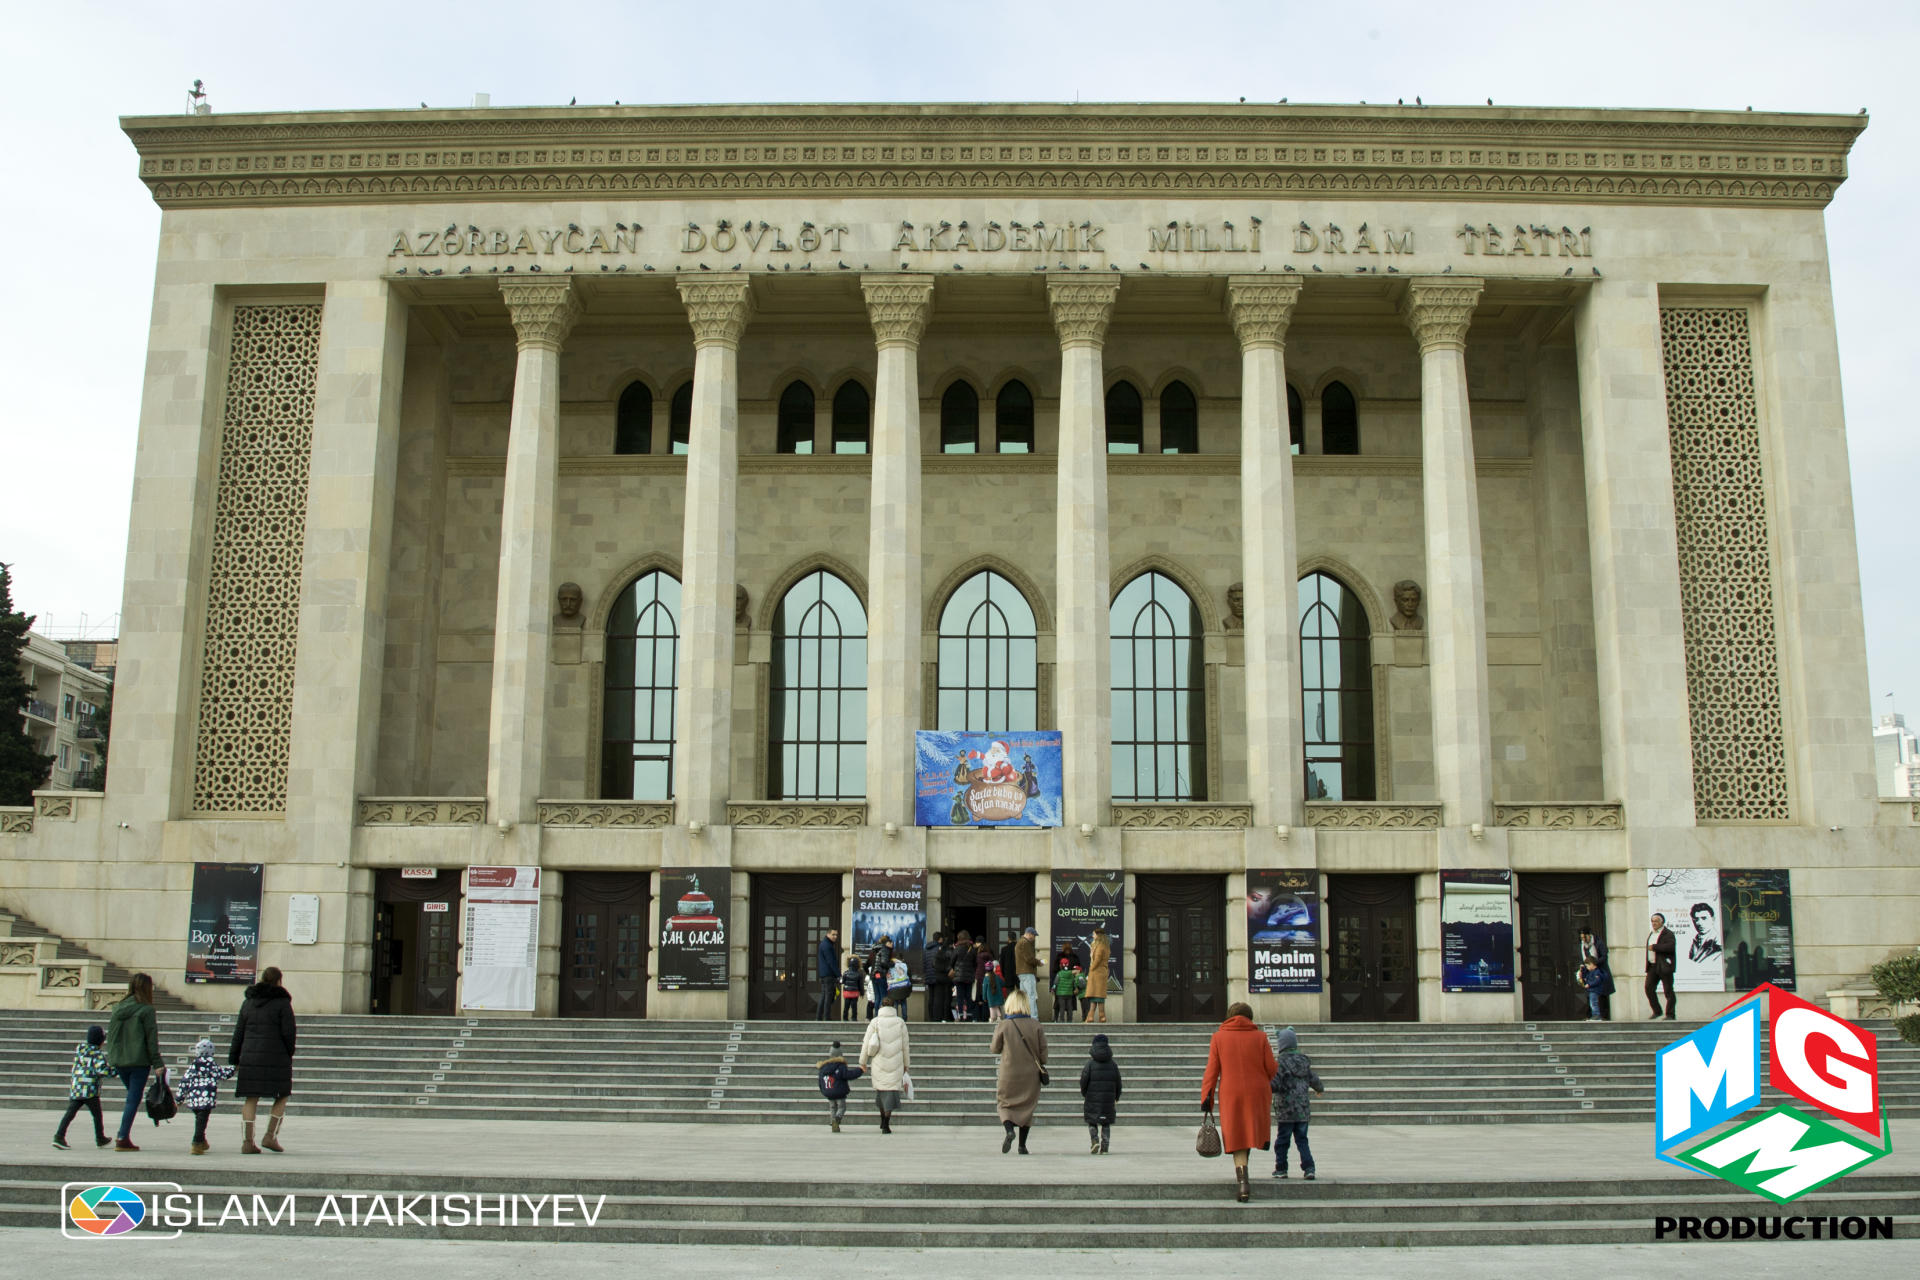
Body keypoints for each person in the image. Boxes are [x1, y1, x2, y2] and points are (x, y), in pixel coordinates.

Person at [1200, 1001, 1278, 1203]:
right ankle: (1244, 1173)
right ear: (1249, 1017)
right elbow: (1271, 1068)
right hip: (1257, 1091)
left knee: (1237, 1135)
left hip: (1231, 1092)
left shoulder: (1218, 1037)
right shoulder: (1260, 1037)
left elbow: (1212, 1070)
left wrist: (1206, 1098)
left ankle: (1243, 1181)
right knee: (1249, 1132)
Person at [230, 965, 297, 1154]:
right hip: (276, 1057)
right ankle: (270, 1136)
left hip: (250, 1057)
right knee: (281, 1095)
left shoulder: (248, 1002)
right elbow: (289, 1032)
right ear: (278, 981)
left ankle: (247, 1141)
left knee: (251, 1098)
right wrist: (288, 1053)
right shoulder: (282, 1003)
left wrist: (234, 1057)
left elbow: (239, 1032)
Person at [105, 972, 163, 1151]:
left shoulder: (117, 1008)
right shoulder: (146, 1010)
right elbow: (151, 1039)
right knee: (133, 1099)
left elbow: (112, 1036)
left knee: (132, 1096)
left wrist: (112, 1058)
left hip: (120, 1061)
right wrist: (158, 1063)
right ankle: (122, 1137)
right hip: (139, 1061)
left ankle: (123, 1135)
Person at [990, 989, 1048, 1154]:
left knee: (1004, 1103)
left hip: (1009, 1073)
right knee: (1027, 1107)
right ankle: (1022, 1146)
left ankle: (1009, 1130)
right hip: (1030, 1075)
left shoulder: (1004, 1025)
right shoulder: (1036, 1025)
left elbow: (994, 1049)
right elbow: (1043, 1056)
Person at [1270, 1026, 1325, 1180]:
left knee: (1282, 1140)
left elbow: (1276, 1084)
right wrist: (1319, 1088)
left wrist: (1264, 1087)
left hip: (1285, 1109)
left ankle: (1281, 1168)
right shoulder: (1304, 1062)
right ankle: (1309, 1168)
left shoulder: (1280, 1063)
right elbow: (1313, 1078)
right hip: (1302, 1109)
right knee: (1302, 1140)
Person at [51, 1024, 111, 1150]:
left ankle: (59, 1136)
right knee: (97, 1115)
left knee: (70, 1113)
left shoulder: (80, 1050)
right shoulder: (97, 1054)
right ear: (101, 1041)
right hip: (90, 1090)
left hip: (77, 1088)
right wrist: (116, 1071)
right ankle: (100, 1138)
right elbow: (103, 1071)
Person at [858, 996, 910, 1134]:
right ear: (893, 1007)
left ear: (881, 1006)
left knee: (881, 1093)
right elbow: (905, 1046)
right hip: (895, 1063)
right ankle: (886, 1122)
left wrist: (862, 1062)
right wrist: (906, 1064)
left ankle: (882, 1119)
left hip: (879, 1062)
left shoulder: (875, 1022)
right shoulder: (900, 1022)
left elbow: (866, 1043)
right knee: (891, 1093)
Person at [177, 1036, 235, 1155]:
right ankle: (196, 1143)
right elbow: (223, 1074)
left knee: (199, 1119)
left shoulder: (192, 1066)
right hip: (207, 1097)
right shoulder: (211, 1065)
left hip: (193, 1099)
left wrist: (179, 1098)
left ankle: (202, 1141)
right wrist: (234, 1068)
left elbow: (184, 1082)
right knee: (202, 1119)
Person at [1079, 1031, 1122, 1155]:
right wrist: (1117, 1096)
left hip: (1092, 1097)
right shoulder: (1113, 1065)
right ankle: (1105, 1145)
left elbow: (1083, 1081)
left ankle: (1094, 1140)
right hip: (1108, 1100)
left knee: (1092, 1120)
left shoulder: (1090, 1064)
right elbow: (1118, 1082)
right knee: (1106, 1122)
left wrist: (1085, 1093)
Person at [815, 1038, 864, 1133]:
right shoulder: (841, 1066)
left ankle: (833, 1121)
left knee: (832, 1107)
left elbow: (820, 1081)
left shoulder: (823, 1067)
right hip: (839, 1091)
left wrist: (823, 1090)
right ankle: (836, 1120)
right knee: (842, 1107)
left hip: (828, 1091)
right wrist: (860, 1070)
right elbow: (849, 1075)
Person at [1645, 912, 1677, 1020]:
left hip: (1664, 966)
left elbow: (1670, 947)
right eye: (1652, 921)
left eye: (1656, 921)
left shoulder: (1668, 933)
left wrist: (1655, 947)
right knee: (1648, 988)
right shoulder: (1652, 933)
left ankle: (1670, 1014)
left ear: (1661, 922)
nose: (1654, 923)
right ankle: (1657, 1011)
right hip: (1653, 966)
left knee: (1668, 990)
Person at [1577, 927, 1611, 1021]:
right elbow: (1582, 959)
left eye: (1585, 937)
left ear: (1589, 935)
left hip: (1599, 970)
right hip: (1589, 971)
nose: (1583, 940)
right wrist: (1582, 967)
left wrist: (1594, 963)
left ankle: (1603, 1015)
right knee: (1590, 994)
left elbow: (1604, 956)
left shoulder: (1598, 943)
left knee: (1602, 994)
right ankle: (1590, 1014)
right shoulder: (1582, 946)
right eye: (1582, 938)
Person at [1083, 926, 1111, 1023]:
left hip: (1097, 972)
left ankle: (1100, 1016)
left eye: (1094, 934)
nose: (1093, 935)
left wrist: (1091, 969)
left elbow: (1097, 959)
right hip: (1100, 972)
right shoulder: (1104, 946)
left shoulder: (1100, 946)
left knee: (1098, 995)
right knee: (1095, 995)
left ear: (1098, 935)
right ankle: (1093, 1016)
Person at [950, 932, 978, 1022]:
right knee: (968, 996)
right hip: (969, 977)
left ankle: (961, 1015)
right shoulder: (972, 949)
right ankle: (969, 1015)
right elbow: (975, 963)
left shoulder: (957, 949)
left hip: (959, 977)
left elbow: (952, 962)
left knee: (960, 997)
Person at [816, 927, 842, 1021]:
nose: (835, 937)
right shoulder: (827, 945)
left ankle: (819, 1017)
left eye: (836, 935)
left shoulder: (824, 944)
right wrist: (839, 975)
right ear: (828, 934)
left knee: (824, 996)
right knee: (828, 996)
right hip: (828, 975)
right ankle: (826, 1017)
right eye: (833, 934)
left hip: (824, 974)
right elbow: (831, 962)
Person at [928, 933, 954, 1023]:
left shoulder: (938, 952)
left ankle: (936, 1017)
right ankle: (946, 1017)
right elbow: (951, 964)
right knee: (947, 998)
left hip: (937, 977)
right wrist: (949, 970)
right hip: (947, 978)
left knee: (937, 998)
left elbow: (933, 964)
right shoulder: (950, 952)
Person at [1014, 926, 1042, 1009]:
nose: (1034, 938)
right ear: (1029, 934)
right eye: (1034, 935)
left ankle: (1025, 1017)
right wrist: (1039, 962)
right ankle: (1033, 1018)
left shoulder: (1020, 942)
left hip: (1021, 973)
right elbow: (1029, 958)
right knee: (1031, 996)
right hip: (1027, 972)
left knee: (1024, 997)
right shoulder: (1025, 943)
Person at [1581, 959, 1609, 1023]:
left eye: (1587, 966)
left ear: (1592, 964)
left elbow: (1597, 981)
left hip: (1595, 990)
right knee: (1592, 1003)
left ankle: (1596, 1015)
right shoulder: (1591, 972)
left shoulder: (1597, 972)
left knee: (1594, 1003)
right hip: (1592, 990)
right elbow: (1585, 976)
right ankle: (1594, 1015)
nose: (1587, 968)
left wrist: (1589, 985)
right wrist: (1583, 970)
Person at [840, 954, 864, 1022]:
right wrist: (862, 993)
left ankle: (845, 1018)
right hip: (855, 992)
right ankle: (854, 1018)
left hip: (847, 992)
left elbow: (842, 982)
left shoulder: (845, 973)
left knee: (846, 1006)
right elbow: (861, 985)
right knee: (854, 1006)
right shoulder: (859, 974)